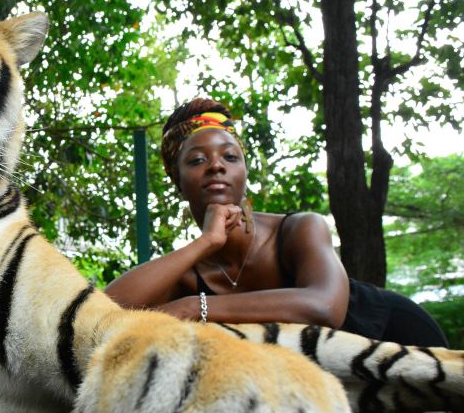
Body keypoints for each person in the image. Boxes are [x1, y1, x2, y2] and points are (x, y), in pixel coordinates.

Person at [104, 98, 448, 347]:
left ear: (244, 173)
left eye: (230, 156)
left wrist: (196, 307)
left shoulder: (298, 229)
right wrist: (206, 242)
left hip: (399, 340)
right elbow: (104, 310)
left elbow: (325, 307)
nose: (216, 165)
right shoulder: (189, 272)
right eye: (196, 160)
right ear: (178, 181)